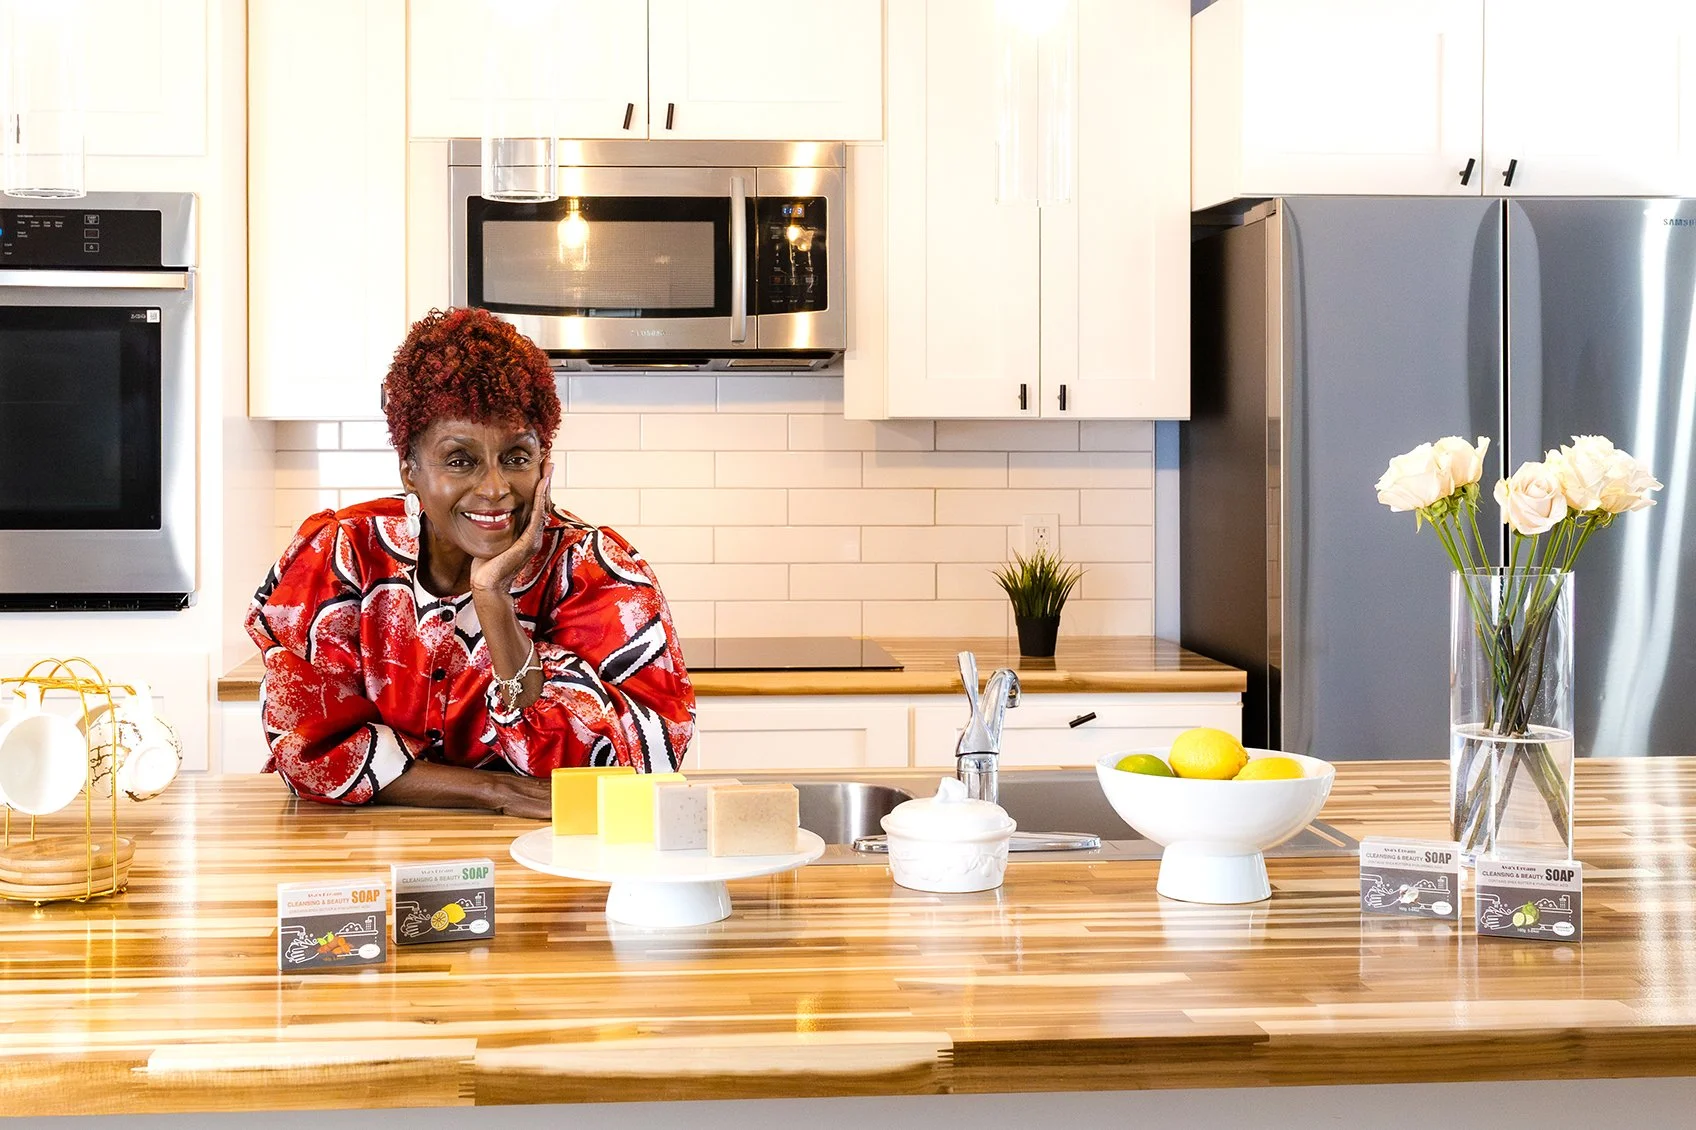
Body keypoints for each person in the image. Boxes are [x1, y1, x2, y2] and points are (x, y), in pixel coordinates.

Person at [246, 307, 695, 819]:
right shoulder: (342, 554)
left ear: (544, 463)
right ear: (410, 470)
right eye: (460, 461)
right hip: (368, 847)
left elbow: (642, 764)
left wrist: (493, 602)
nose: (495, 488)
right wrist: (494, 791)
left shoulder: (598, 572)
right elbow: (308, 750)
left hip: (548, 852)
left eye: (517, 457)